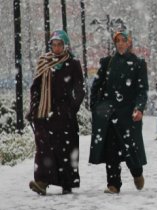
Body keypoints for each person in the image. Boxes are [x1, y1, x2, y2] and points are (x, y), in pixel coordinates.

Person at [26, 30, 85, 195]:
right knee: (44, 148)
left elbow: (80, 88)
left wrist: (72, 107)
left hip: (64, 113)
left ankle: (67, 182)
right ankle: (42, 182)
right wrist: (34, 107)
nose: (57, 48)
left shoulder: (73, 63)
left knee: (65, 148)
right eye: (54, 44)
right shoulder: (44, 62)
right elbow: (35, 88)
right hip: (44, 113)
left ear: (65, 46)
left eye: (60, 44)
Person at [89, 31, 148, 194]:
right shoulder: (108, 62)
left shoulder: (138, 63)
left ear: (129, 42)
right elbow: (96, 85)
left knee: (131, 149)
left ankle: (137, 173)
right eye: (118, 41)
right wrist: (95, 106)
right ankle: (113, 184)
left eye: (124, 40)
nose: (121, 44)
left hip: (129, 115)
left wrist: (139, 108)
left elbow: (142, 91)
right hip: (110, 114)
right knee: (111, 150)